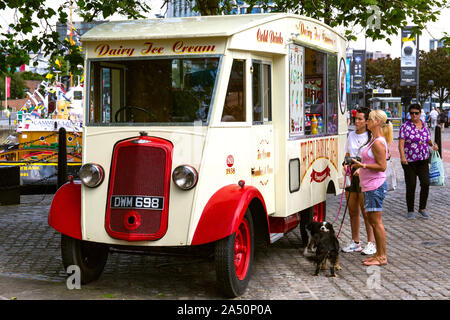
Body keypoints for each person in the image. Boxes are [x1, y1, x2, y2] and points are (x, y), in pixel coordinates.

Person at [351, 110, 393, 266]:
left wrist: (363, 165)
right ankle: (378, 253)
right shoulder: (374, 140)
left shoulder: (377, 142)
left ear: (376, 122)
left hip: (375, 186)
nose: (366, 121)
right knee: (373, 220)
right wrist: (361, 169)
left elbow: (382, 166)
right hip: (370, 185)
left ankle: (382, 256)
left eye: (368, 119)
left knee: (376, 222)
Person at [342, 107, 376, 256]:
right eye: (356, 119)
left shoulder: (371, 137)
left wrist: (361, 168)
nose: (357, 122)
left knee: (366, 211)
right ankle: (356, 242)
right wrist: (345, 164)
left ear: (367, 121)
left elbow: (375, 159)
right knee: (352, 210)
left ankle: (371, 242)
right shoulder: (351, 135)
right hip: (351, 175)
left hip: (365, 176)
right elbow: (347, 153)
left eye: (360, 119)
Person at [398, 104, 438, 219]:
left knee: (425, 183)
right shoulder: (405, 126)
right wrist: (402, 157)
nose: (414, 115)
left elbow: (427, 139)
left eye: (416, 113)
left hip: (423, 159)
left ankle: (422, 208)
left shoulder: (425, 125)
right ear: (409, 114)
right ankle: (410, 210)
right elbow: (401, 144)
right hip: (409, 161)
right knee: (411, 185)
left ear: (420, 113)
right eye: (411, 113)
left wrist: (433, 145)